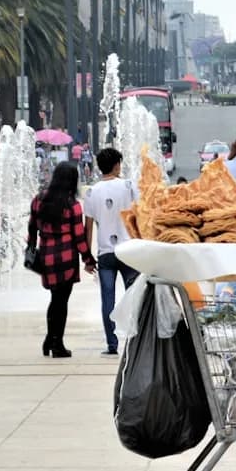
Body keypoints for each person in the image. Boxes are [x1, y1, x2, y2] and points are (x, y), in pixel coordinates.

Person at [28, 161, 96, 358]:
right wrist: (88, 259)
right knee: (61, 302)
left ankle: (50, 339)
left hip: (47, 255)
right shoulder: (72, 205)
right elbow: (78, 237)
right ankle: (57, 344)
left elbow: (32, 227)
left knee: (54, 299)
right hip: (66, 256)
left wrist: (31, 248)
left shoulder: (38, 199)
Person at [84, 148, 139, 356]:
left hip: (105, 253)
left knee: (107, 299)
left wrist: (87, 257)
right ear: (117, 165)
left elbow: (88, 227)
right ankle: (135, 341)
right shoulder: (128, 186)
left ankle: (112, 344)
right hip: (129, 251)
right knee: (133, 296)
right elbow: (140, 215)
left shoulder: (91, 191)